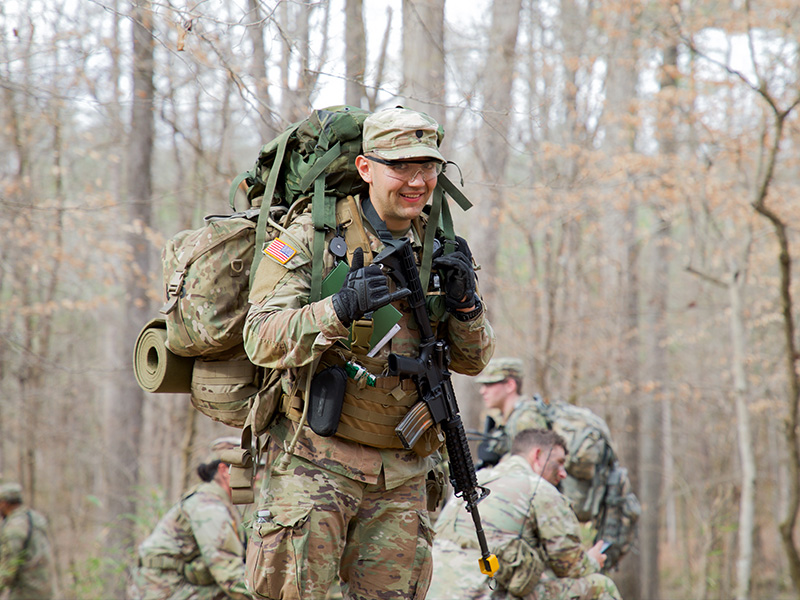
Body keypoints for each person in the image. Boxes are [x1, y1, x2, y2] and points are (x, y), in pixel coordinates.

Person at [243, 106, 495, 600]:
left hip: (402, 475)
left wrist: (467, 305)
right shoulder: (315, 237)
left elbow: (473, 361)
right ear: (365, 168)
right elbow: (260, 336)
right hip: (315, 463)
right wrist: (338, 308)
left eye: (427, 167)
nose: (416, 181)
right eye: (400, 166)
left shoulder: (438, 245)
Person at [427, 429, 622, 600]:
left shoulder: (478, 479)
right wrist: (593, 561)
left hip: (431, 590)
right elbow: (570, 567)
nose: (563, 473)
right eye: (559, 462)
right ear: (537, 455)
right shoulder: (541, 490)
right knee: (601, 587)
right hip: (485, 593)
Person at [129, 445, 252, 600]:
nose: (256, 476)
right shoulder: (208, 506)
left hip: (174, 585)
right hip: (164, 589)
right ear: (224, 471)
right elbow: (229, 574)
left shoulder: (218, 501)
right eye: (249, 469)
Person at [475, 357, 548, 467]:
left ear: (510, 386)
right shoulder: (505, 419)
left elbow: (535, 467)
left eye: (489, 384)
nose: (482, 391)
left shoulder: (526, 419)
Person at [0, 482, 55, 599]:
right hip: (44, 589)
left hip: (26, 591)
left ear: (4, 503)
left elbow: (9, 565)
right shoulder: (36, 518)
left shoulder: (15, 527)